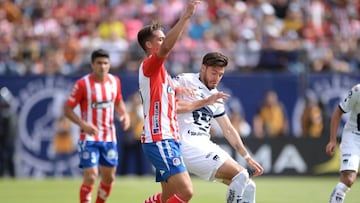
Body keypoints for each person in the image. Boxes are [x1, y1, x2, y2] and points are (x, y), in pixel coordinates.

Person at [137, 1, 212, 202]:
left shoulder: (163, 75)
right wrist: (186, 16)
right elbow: (168, 47)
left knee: (168, 197)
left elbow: (176, 107)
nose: (165, 42)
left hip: (168, 139)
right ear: (149, 45)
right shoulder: (149, 65)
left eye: (164, 38)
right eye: (160, 39)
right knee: (187, 192)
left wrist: (205, 101)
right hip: (160, 138)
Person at [175, 52, 264, 203]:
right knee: (240, 175)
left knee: (249, 186)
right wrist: (205, 101)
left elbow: (228, 129)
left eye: (220, 75)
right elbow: (168, 106)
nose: (216, 78)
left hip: (204, 144)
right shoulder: (184, 80)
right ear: (203, 68)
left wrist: (247, 157)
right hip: (187, 143)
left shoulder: (216, 97)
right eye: (213, 73)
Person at [63, 49, 130, 203]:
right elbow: (67, 109)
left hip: (109, 137)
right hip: (89, 137)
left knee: (109, 177)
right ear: (92, 65)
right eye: (99, 63)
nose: (102, 66)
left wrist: (124, 114)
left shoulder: (115, 81)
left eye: (105, 63)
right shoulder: (82, 84)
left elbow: (118, 101)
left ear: (109, 64)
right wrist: (83, 124)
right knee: (91, 175)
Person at [326, 84, 360, 203]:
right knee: (349, 179)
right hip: (354, 136)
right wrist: (332, 140)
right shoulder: (357, 91)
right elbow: (338, 112)